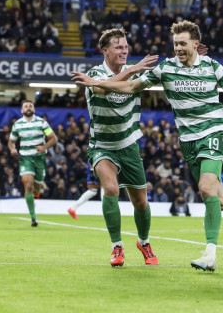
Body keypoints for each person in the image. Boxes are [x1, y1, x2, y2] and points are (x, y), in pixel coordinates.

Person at [73, 20, 223, 273]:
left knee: (206, 189)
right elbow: (129, 86)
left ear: (196, 44)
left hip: (214, 132)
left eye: (183, 43)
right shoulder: (166, 69)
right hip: (186, 141)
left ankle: (210, 255)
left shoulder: (213, 66)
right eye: (175, 44)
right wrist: (97, 83)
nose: (178, 48)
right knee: (221, 200)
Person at [71, 28, 159, 266]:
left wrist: (195, 57)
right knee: (110, 188)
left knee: (141, 202)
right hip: (102, 146)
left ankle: (144, 241)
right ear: (105, 50)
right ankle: (117, 247)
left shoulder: (135, 73)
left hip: (129, 144)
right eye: (119, 47)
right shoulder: (95, 73)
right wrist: (131, 69)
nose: (124, 51)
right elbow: (101, 87)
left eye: (126, 47)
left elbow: (164, 74)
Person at [9, 101, 57, 227]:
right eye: (26, 106)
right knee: (28, 184)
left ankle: (34, 196)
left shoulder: (41, 122)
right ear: (21, 110)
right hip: (25, 158)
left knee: (37, 188)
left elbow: (53, 138)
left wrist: (44, 146)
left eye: (30, 106)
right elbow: (11, 141)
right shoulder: (17, 125)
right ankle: (33, 218)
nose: (28, 108)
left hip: (39, 158)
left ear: (34, 109)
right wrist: (12, 149)